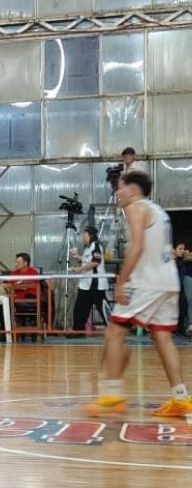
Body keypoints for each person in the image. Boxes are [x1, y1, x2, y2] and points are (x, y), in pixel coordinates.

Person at [82, 172, 192, 418]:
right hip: (168, 281)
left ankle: (111, 396)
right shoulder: (159, 212)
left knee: (114, 332)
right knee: (162, 338)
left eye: (120, 188)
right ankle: (181, 398)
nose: (117, 193)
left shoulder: (135, 207)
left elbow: (137, 247)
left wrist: (122, 280)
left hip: (147, 283)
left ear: (131, 190)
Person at [70, 226, 109, 336]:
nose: (83, 236)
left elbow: (95, 262)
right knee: (80, 308)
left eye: (85, 234)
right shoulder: (87, 248)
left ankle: (115, 331)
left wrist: (80, 269)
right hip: (85, 284)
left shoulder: (96, 246)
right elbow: (87, 259)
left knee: (103, 309)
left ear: (91, 235)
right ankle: (78, 332)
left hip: (96, 284)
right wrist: (78, 257)